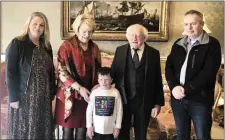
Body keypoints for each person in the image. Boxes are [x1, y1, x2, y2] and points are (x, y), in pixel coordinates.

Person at [165, 10, 221, 140]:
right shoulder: (178, 43)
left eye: (193, 24)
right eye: (186, 24)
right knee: (182, 136)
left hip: (200, 101)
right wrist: (173, 87)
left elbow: (208, 73)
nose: (189, 27)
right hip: (178, 100)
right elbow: (169, 67)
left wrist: (185, 89)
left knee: (203, 136)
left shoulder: (212, 44)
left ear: (201, 24)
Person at [5, 12, 55, 139]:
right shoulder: (17, 43)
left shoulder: (47, 46)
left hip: (43, 97)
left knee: (42, 130)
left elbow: (50, 72)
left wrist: (52, 93)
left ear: (45, 28)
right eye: (35, 24)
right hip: (24, 98)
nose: (38, 27)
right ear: (28, 25)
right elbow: (10, 72)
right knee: (23, 131)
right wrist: (13, 98)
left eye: (41, 25)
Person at [111, 24, 164, 140]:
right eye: (131, 35)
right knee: (123, 131)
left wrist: (157, 103)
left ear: (144, 37)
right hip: (124, 99)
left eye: (138, 35)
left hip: (144, 100)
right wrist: (100, 86)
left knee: (141, 132)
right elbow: (113, 75)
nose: (134, 38)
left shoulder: (154, 53)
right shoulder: (120, 51)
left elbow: (157, 80)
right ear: (127, 36)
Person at [54, 13, 101, 140]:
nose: (87, 35)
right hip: (69, 94)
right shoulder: (66, 46)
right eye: (84, 31)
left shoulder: (94, 48)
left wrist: (96, 88)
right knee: (67, 130)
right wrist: (79, 88)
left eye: (90, 32)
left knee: (83, 129)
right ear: (77, 29)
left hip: (87, 95)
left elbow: (98, 72)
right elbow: (62, 72)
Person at [86, 67, 123, 140]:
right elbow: (89, 111)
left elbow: (120, 111)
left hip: (111, 130)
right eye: (101, 79)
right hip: (96, 130)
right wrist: (89, 126)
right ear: (98, 80)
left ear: (111, 80)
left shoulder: (115, 92)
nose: (103, 82)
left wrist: (117, 127)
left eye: (106, 80)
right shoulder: (94, 93)